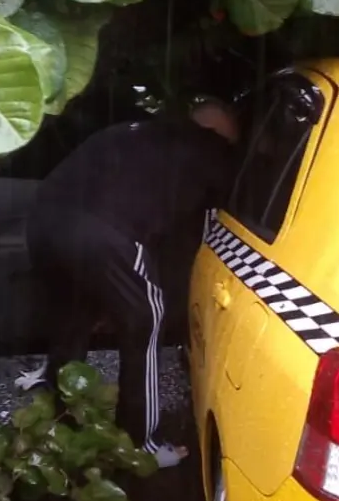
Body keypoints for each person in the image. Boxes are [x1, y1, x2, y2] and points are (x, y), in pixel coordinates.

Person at [19, 99, 241, 468]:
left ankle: (56, 401)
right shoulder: (207, 149)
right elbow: (220, 212)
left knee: (72, 310)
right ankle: (142, 442)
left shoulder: (129, 132)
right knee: (147, 316)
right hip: (104, 233)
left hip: (43, 222)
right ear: (215, 132)